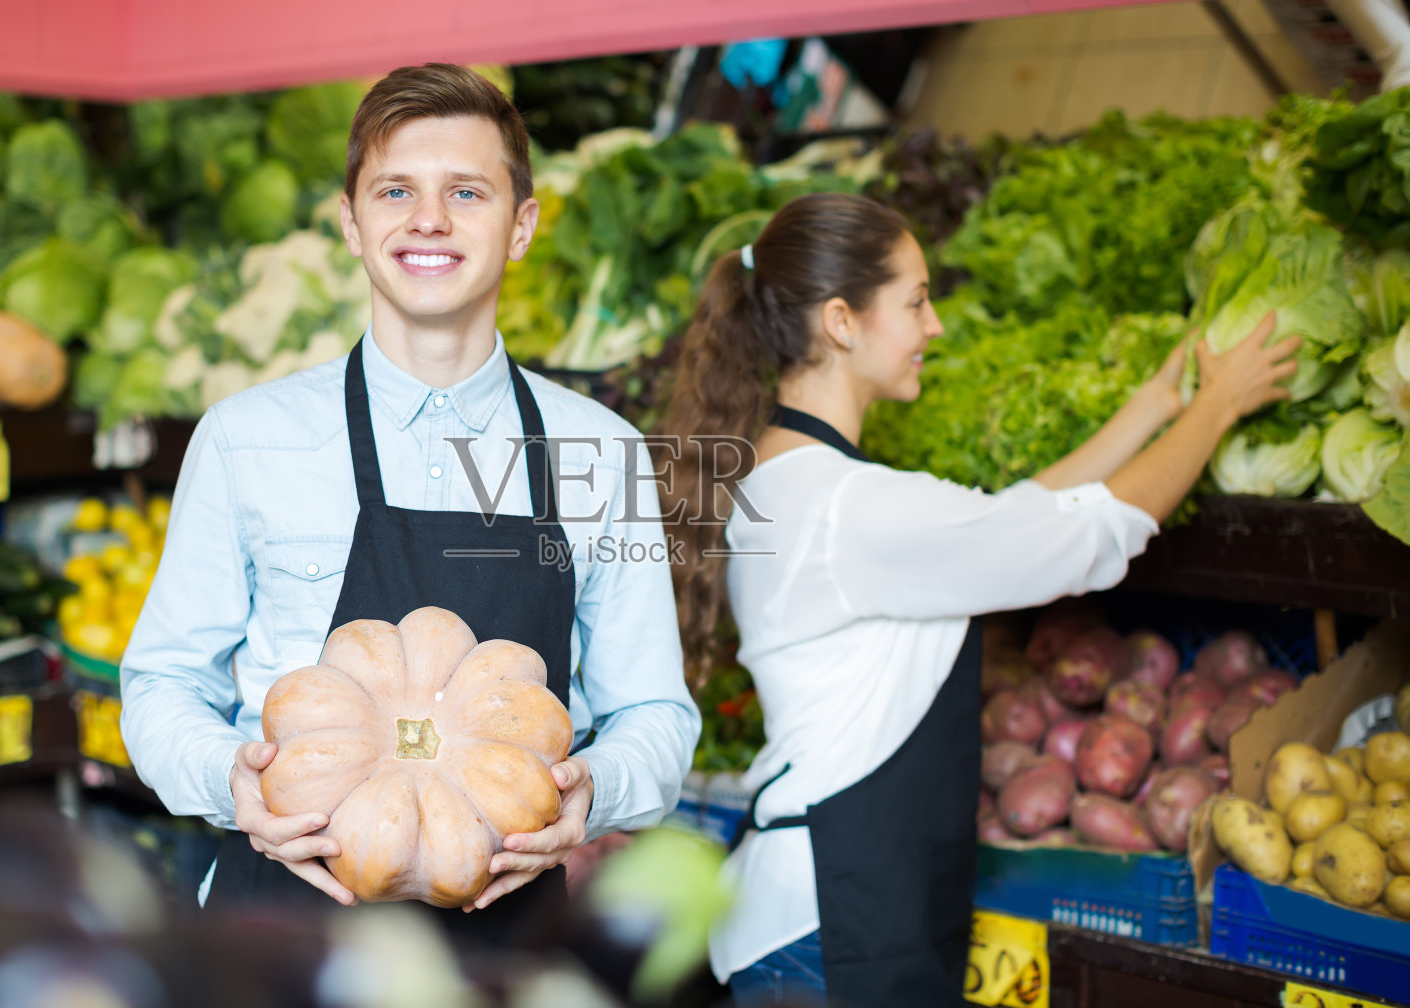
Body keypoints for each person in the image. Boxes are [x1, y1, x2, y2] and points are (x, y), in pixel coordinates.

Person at [659, 192, 1298, 1007]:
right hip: (835, 923)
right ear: (842, 322)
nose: (936, 327)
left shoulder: (788, 478)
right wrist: (1220, 405)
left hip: (819, 907)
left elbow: (1010, 520)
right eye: (917, 302)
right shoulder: (849, 507)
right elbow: (1084, 539)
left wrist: (1155, 406)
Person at [119, 64, 700, 941]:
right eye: (396, 190)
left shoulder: (601, 452)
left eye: (467, 191)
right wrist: (230, 781)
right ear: (353, 224)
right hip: (278, 938)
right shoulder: (246, 437)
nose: (429, 218)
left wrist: (595, 790)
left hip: (503, 944)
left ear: (522, 227)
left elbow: (655, 713)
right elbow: (161, 683)